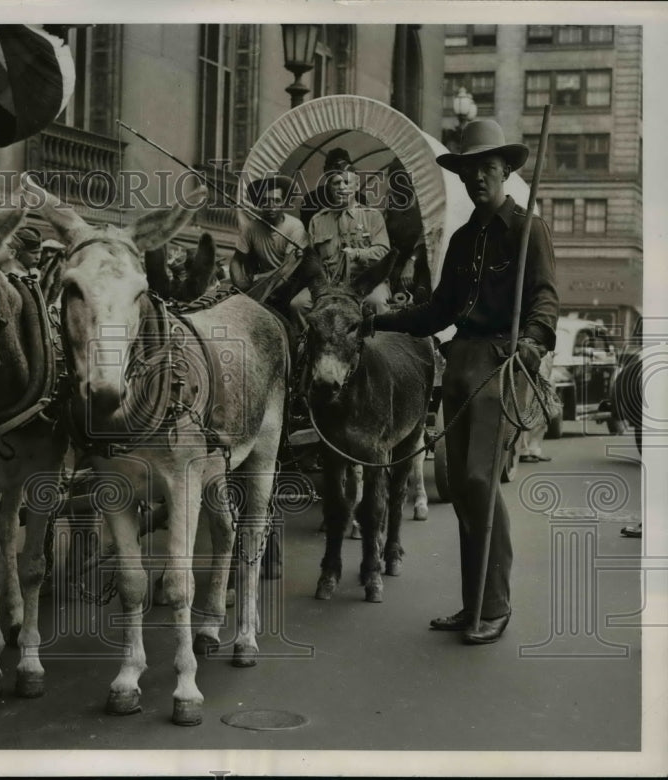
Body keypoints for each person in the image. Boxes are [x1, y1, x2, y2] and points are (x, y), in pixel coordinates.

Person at [360, 119, 559, 644]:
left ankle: (494, 605)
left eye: (487, 169)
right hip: (462, 363)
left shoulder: (528, 229)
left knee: (475, 480)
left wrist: (534, 341)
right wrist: (378, 321)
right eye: (470, 171)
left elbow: (544, 298)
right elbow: (438, 311)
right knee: (466, 494)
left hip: (503, 361)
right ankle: (473, 604)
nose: (477, 179)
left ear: (506, 172)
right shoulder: (466, 237)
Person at [229, 175, 323, 329]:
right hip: (263, 284)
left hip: (288, 285)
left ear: (284, 203)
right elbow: (237, 260)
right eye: (265, 201)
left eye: (276, 201)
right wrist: (240, 283)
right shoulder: (250, 228)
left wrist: (258, 282)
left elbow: (286, 270)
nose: (271, 206)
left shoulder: (295, 227)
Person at [307, 161, 391, 308]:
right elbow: (311, 259)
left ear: (357, 186)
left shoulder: (373, 216)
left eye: (347, 182)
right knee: (299, 304)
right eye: (336, 183)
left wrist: (357, 253)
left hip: (366, 281)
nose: (341, 187)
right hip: (328, 284)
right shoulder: (318, 220)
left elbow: (383, 253)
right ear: (330, 188)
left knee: (376, 302)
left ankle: (376, 331)